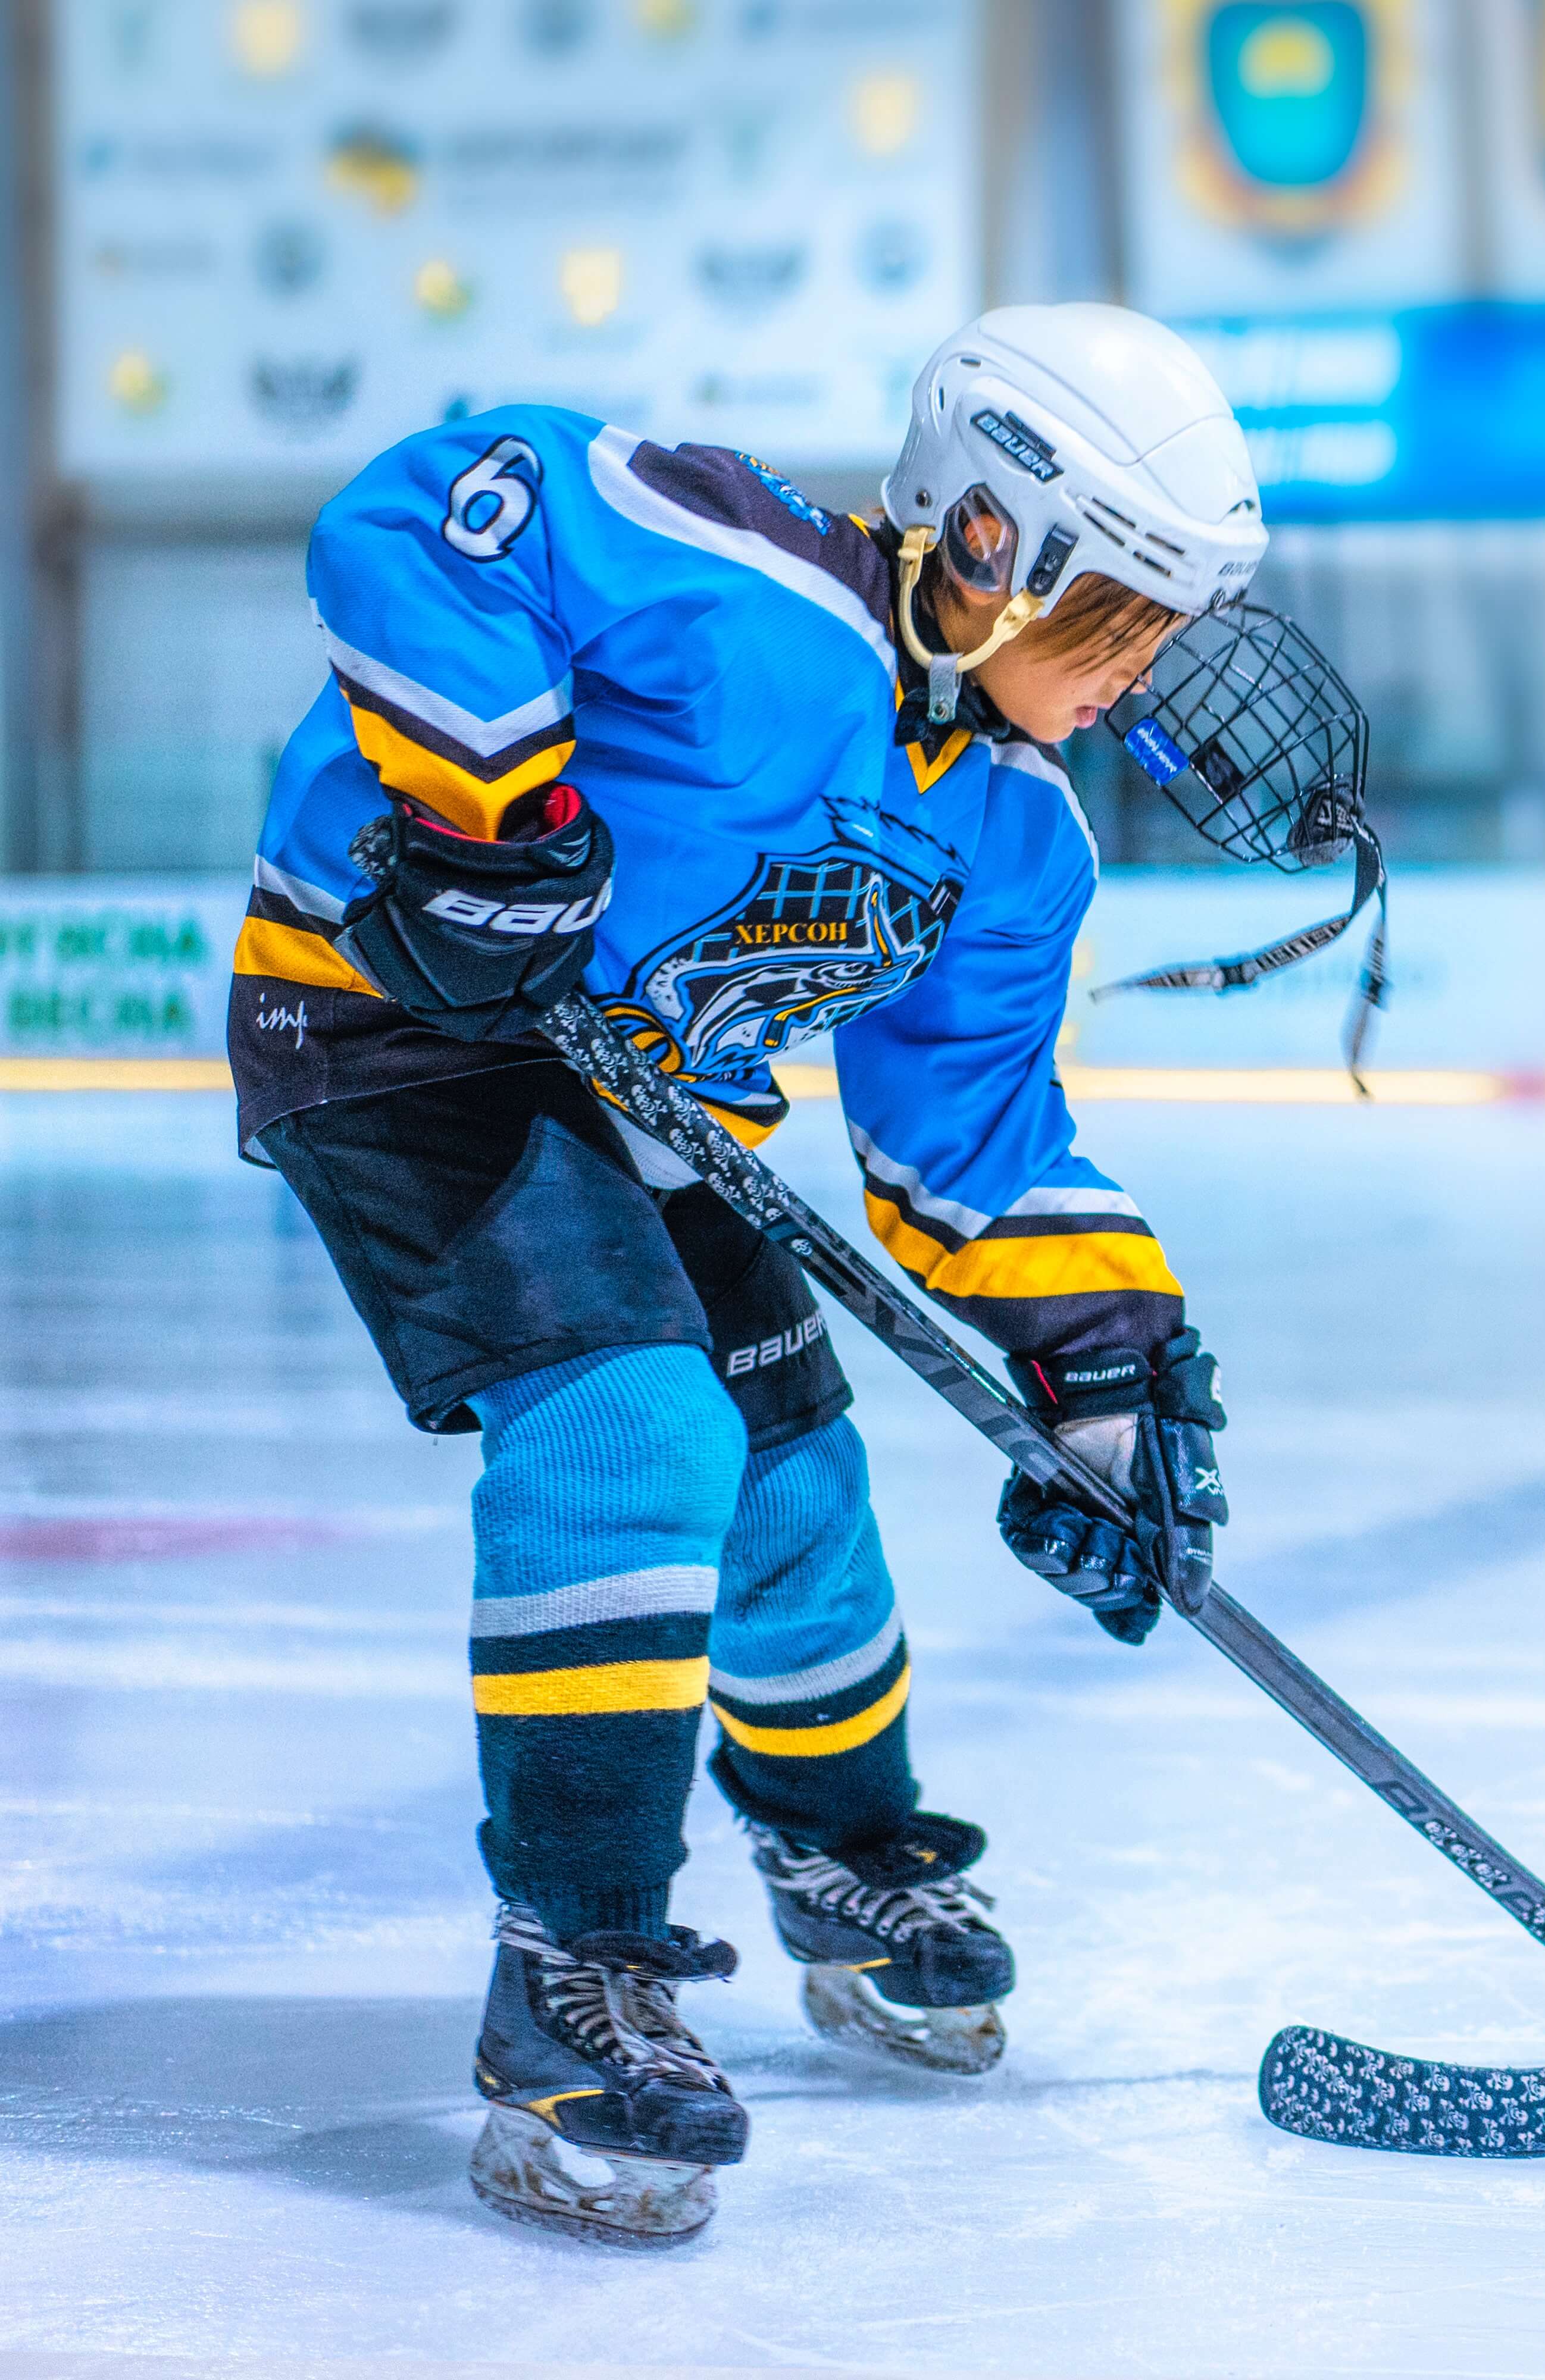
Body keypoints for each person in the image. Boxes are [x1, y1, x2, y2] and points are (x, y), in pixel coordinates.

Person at [229, 303, 1353, 2248]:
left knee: (797, 1487)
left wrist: (1104, 1372)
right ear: (989, 541)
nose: (1142, 675)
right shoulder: (746, 595)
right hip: (400, 1019)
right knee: (635, 1419)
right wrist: (494, 816)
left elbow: (971, 1145)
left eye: (1163, 632)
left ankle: (843, 1856)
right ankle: (574, 1970)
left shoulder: (1015, 843)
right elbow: (424, 516)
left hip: (649, 1087)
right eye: (1121, 618)